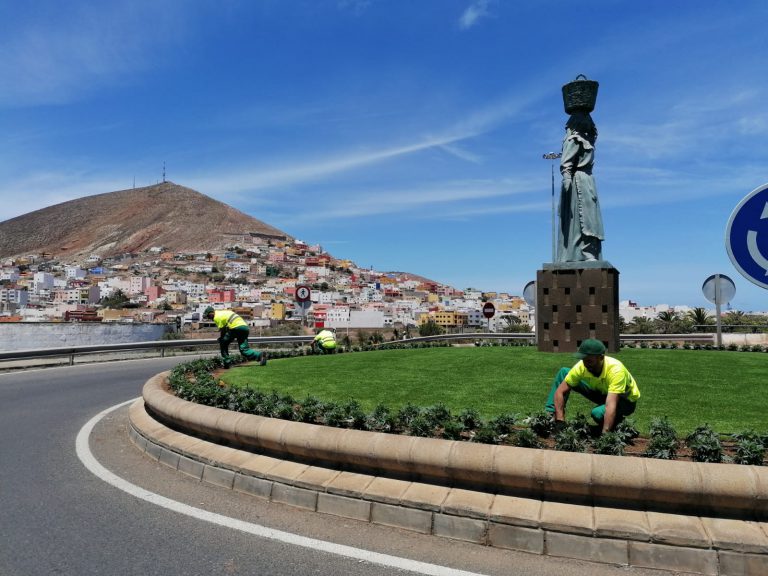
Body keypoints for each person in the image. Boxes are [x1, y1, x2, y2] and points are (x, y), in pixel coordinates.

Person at [544, 338, 639, 433]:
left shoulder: (616, 370)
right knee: (564, 372)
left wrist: (605, 435)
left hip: (624, 401)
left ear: (601, 358)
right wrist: (560, 421)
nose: (585, 364)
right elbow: (560, 391)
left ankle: (620, 425)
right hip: (602, 393)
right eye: (583, 360)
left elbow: (611, 404)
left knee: (597, 413)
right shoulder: (582, 365)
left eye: (589, 361)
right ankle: (550, 416)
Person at [557, 111, 605, 263]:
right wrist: (566, 179)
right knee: (583, 218)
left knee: (592, 218)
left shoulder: (588, 139)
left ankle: (591, 252)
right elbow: (566, 162)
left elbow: (595, 135)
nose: (590, 122)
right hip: (578, 183)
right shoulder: (574, 139)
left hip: (588, 181)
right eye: (586, 119)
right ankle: (585, 253)